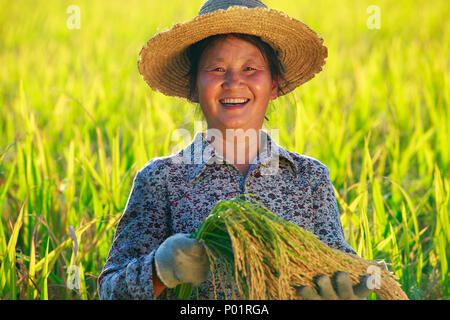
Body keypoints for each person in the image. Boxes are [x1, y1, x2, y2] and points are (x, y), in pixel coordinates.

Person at [97, 0, 374, 300]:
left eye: (250, 68)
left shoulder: (309, 179)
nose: (233, 82)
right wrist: (159, 270)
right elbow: (110, 290)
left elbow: (341, 268)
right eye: (217, 69)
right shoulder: (160, 180)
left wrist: (348, 286)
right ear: (194, 86)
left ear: (274, 86)